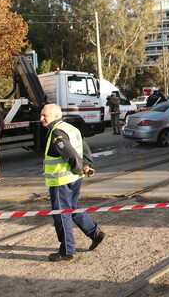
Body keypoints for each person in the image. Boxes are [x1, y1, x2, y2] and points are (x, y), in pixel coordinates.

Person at [40, 103, 105, 261]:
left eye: (44, 115)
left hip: (61, 180)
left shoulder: (57, 132)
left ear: (56, 116)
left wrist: (79, 168)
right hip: (74, 179)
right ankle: (94, 233)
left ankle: (67, 251)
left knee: (62, 214)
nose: (41, 118)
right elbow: (85, 148)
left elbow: (71, 155)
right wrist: (86, 165)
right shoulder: (70, 128)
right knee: (72, 207)